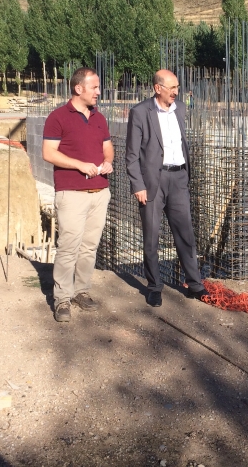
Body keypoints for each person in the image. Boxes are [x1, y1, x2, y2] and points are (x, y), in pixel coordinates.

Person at [126, 69, 207, 307]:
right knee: (151, 236)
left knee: (185, 233)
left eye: (177, 87)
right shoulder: (140, 112)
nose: (176, 92)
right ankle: (154, 287)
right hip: (153, 182)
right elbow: (131, 155)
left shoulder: (180, 109)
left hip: (179, 177)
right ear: (157, 88)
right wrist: (138, 185)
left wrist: (185, 175)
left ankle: (194, 284)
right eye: (171, 87)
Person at [42, 68, 113, 322]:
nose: (99, 91)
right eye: (94, 87)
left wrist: (108, 162)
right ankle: (62, 298)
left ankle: (81, 291)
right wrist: (79, 165)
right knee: (69, 247)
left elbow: (108, 148)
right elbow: (49, 153)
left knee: (89, 247)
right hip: (71, 193)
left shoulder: (99, 118)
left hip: (99, 192)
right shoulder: (58, 117)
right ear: (78, 88)